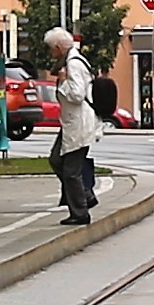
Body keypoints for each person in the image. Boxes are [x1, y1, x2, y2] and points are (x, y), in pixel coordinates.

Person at [46, 24, 101, 224]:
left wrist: (63, 82)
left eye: (51, 49)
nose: (51, 54)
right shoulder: (70, 60)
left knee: (71, 171)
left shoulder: (73, 64)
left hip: (79, 122)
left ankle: (80, 212)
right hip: (71, 123)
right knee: (56, 159)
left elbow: (77, 94)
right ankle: (85, 196)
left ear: (58, 47)